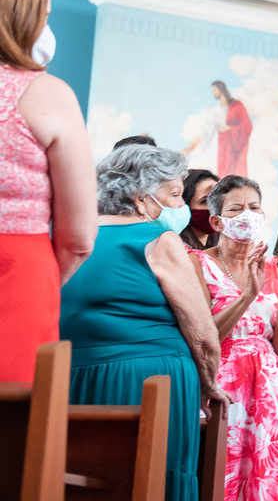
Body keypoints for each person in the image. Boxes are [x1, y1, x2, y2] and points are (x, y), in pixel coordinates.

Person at [60, 145, 228, 501]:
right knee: (153, 480)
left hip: (73, 378)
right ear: (140, 197)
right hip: (151, 382)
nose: (179, 207)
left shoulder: (68, 237)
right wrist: (209, 383)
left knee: (81, 480)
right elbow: (203, 336)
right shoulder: (160, 241)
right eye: (175, 194)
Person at [0, 0, 96, 381]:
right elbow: (78, 238)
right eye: (44, 15)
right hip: (18, 273)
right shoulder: (45, 94)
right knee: (14, 432)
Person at [191, 175, 278, 500]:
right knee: (220, 476)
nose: (248, 215)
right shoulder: (198, 263)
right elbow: (204, 336)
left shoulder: (273, 267)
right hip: (223, 384)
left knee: (267, 480)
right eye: (236, 208)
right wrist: (248, 295)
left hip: (268, 390)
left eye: (254, 207)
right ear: (217, 220)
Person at [211, 81, 252, 177]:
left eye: (214, 89)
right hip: (223, 143)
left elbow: (247, 125)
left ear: (221, 89)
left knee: (234, 170)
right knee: (222, 171)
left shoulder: (237, 105)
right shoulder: (217, 109)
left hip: (234, 143)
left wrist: (229, 128)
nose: (213, 92)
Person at [179, 168, 219, 250]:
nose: (215, 207)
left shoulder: (217, 245)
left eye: (218, 200)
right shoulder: (182, 250)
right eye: (205, 202)